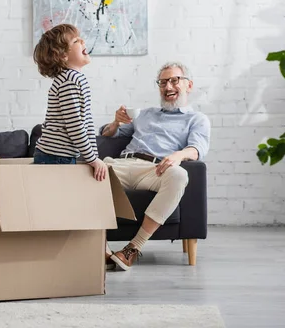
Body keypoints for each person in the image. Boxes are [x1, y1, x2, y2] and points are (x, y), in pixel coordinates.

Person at [101, 62, 210, 271]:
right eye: (163, 82)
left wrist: (178, 155)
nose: (168, 86)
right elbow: (108, 134)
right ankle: (102, 250)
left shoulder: (197, 119)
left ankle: (133, 248)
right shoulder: (144, 114)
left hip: (155, 170)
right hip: (123, 164)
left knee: (178, 176)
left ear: (189, 85)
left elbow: (197, 148)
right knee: (87, 174)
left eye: (174, 80)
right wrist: (116, 122)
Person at [32, 23, 108, 181]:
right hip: (55, 157)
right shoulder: (69, 81)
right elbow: (75, 126)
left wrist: (94, 157)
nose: (82, 42)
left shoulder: (75, 78)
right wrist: (93, 159)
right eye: (76, 41)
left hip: (59, 156)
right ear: (62, 55)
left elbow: (86, 122)